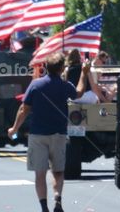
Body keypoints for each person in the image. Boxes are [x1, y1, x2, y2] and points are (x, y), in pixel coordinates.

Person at [8, 53, 88, 212]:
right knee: (58, 172)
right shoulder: (65, 85)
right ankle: (57, 200)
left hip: (38, 135)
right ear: (62, 68)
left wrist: (14, 129)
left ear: (45, 67)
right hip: (58, 134)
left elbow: (24, 109)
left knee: (40, 174)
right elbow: (79, 92)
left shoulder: (36, 85)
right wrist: (84, 73)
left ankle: (44, 207)